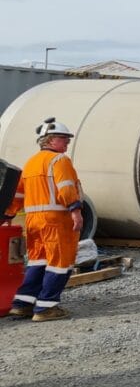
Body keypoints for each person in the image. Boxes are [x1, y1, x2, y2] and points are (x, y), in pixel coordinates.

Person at [5, 117, 84, 322]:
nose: (67, 143)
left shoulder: (30, 163)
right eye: (63, 138)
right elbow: (66, 187)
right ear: (49, 140)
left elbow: (18, 194)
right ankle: (46, 308)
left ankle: (22, 304)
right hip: (56, 220)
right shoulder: (60, 160)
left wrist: (9, 215)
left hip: (34, 222)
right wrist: (75, 211)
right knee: (60, 262)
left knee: (38, 261)